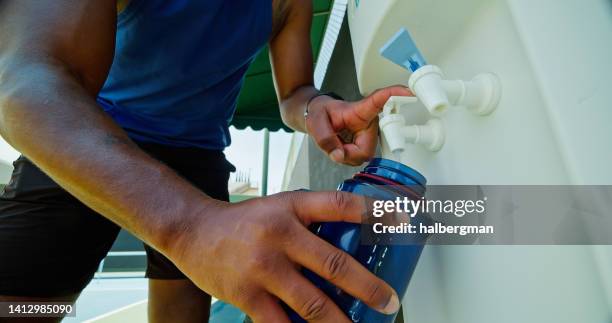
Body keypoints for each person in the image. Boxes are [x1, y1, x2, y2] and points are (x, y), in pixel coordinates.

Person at [0, 1, 412, 322]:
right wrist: (189, 227)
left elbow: (294, 93)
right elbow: (25, 83)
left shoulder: (289, 1)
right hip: (96, 146)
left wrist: (316, 107)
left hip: (197, 159)